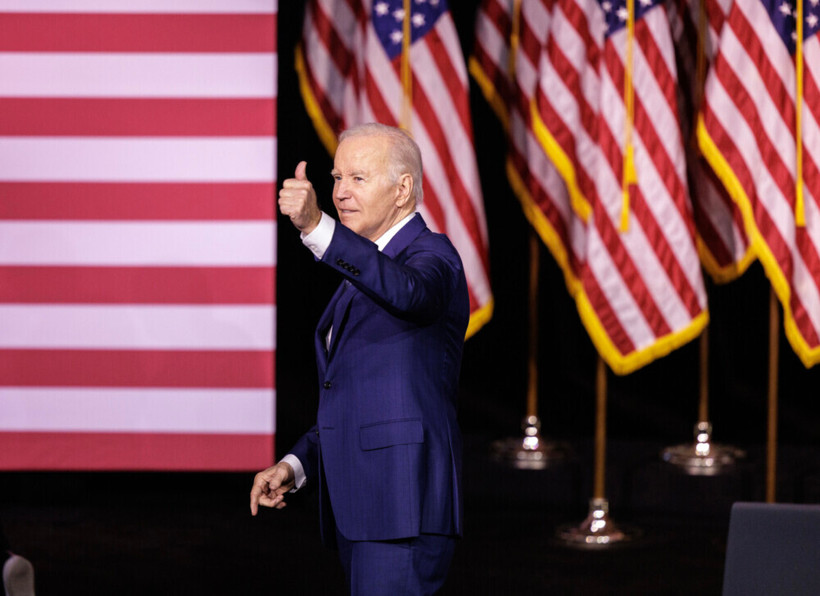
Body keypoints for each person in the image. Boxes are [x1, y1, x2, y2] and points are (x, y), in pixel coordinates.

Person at [250, 122, 469, 595]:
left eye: (358, 179)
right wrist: (297, 463)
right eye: (336, 178)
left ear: (402, 188)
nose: (340, 193)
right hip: (369, 508)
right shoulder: (365, 269)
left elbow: (410, 293)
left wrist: (315, 227)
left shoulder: (433, 255)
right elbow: (356, 392)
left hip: (402, 506)